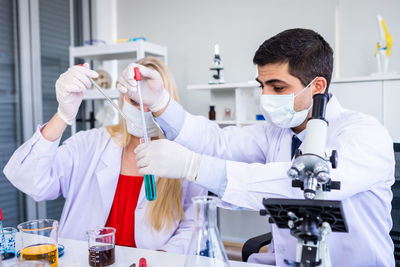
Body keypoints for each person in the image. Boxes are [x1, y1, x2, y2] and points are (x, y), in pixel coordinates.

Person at [116, 29, 395, 266]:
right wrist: (161, 103)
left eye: (277, 87)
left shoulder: (365, 134)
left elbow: (303, 187)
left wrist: (194, 166)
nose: (265, 97)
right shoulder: (277, 134)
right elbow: (218, 142)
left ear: (317, 86)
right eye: (262, 85)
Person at [3, 57, 204, 253]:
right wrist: (62, 116)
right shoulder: (89, 144)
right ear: (122, 99)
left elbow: (193, 225)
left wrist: (161, 257)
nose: (142, 109)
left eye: (151, 101)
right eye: (135, 100)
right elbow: (29, 180)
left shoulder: (183, 155)